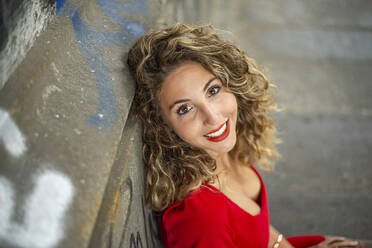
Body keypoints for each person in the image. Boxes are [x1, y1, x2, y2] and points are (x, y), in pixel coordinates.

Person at [127, 23, 362, 248]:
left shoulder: (223, 151)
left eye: (213, 90)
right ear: (162, 125)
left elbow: (254, 229)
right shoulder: (201, 218)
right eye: (184, 109)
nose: (213, 117)